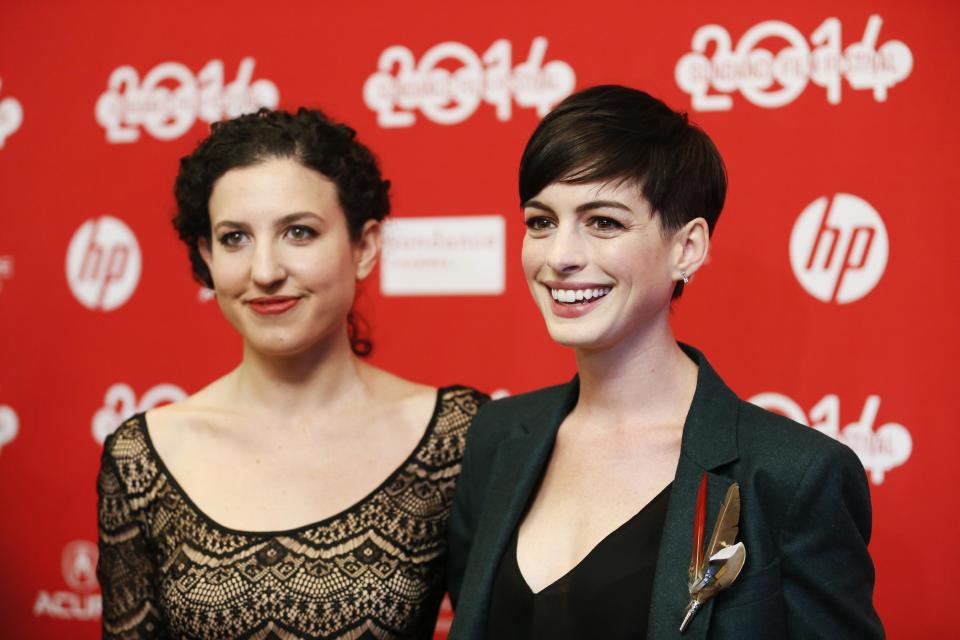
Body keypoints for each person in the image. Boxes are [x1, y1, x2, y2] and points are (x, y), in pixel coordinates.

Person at [446, 86, 883, 639]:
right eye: (541, 221)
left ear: (688, 248)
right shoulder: (497, 438)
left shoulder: (791, 474)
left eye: (603, 222)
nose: (560, 256)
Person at [96, 108, 486, 639]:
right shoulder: (144, 455)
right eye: (235, 238)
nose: (264, 271)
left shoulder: (456, 435)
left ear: (365, 246)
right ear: (207, 256)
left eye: (298, 232)